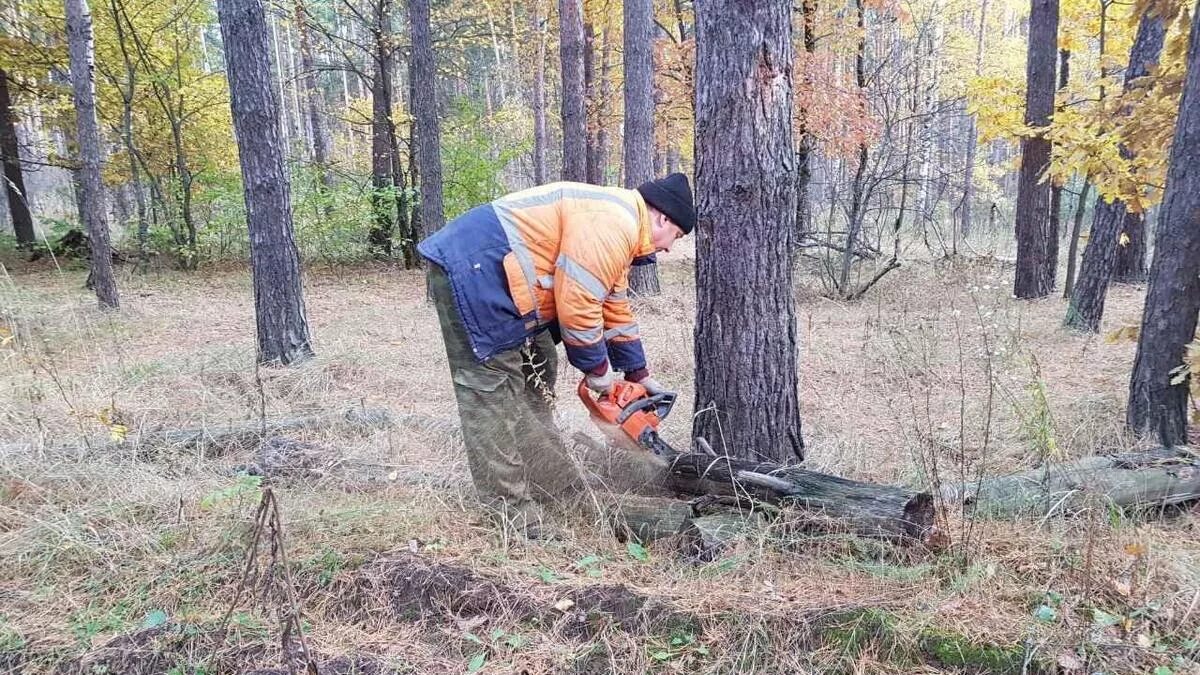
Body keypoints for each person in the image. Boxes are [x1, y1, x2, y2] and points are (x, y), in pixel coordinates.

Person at [417, 173, 696, 538]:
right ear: (662, 218)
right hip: (477, 270)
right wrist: (598, 372)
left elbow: (613, 303)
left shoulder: (620, 224)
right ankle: (512, 515)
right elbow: (578, 302)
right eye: (675, 236)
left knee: (539, 375)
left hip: (506, 280)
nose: (669, 248)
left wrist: (637, 372)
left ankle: (556, 486)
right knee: (491, 393)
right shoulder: (614, 223)